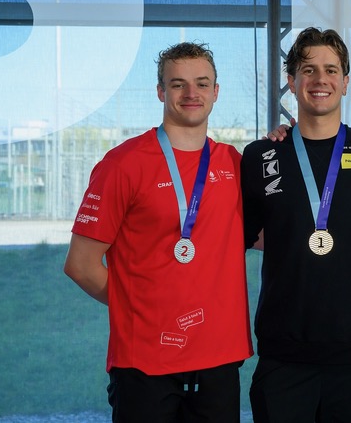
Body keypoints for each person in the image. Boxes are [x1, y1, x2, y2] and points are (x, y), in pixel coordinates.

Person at [63, 41, 253, 423]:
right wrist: (139, 309)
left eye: (202, 83)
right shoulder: (123, 164)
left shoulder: (234, 164)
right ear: (160, 91)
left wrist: (289, 144)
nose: (191, 93)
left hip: (218, 361)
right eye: (178, 84)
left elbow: (274, 232)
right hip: (145, 363)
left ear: (216, 92)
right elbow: (80, 265)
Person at [241, 27, 351, 422]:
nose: (320, 79)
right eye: (308, 70)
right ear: (291, 81)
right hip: (283, 359)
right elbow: (244, 234)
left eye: (331, 70)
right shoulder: (262, 155)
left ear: (345, 83)